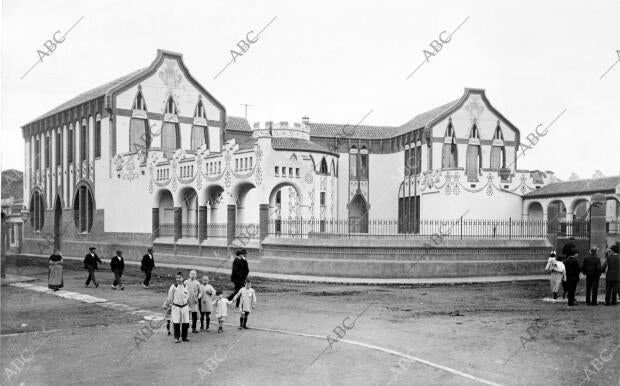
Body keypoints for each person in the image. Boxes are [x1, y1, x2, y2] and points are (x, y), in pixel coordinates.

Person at [164, 272, 190, 343]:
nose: (178, 279)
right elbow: (169, 297)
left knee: (185, 322)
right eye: (177, 278)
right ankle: (177, 337)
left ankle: (184, 337)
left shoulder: (186, 286)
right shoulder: (173, 286)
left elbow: (187, 296)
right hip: (176, 306)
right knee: (176, 322)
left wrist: (188, 305)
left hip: (184, 306)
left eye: (179, 277)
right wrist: (167, 305)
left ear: (183, 278)